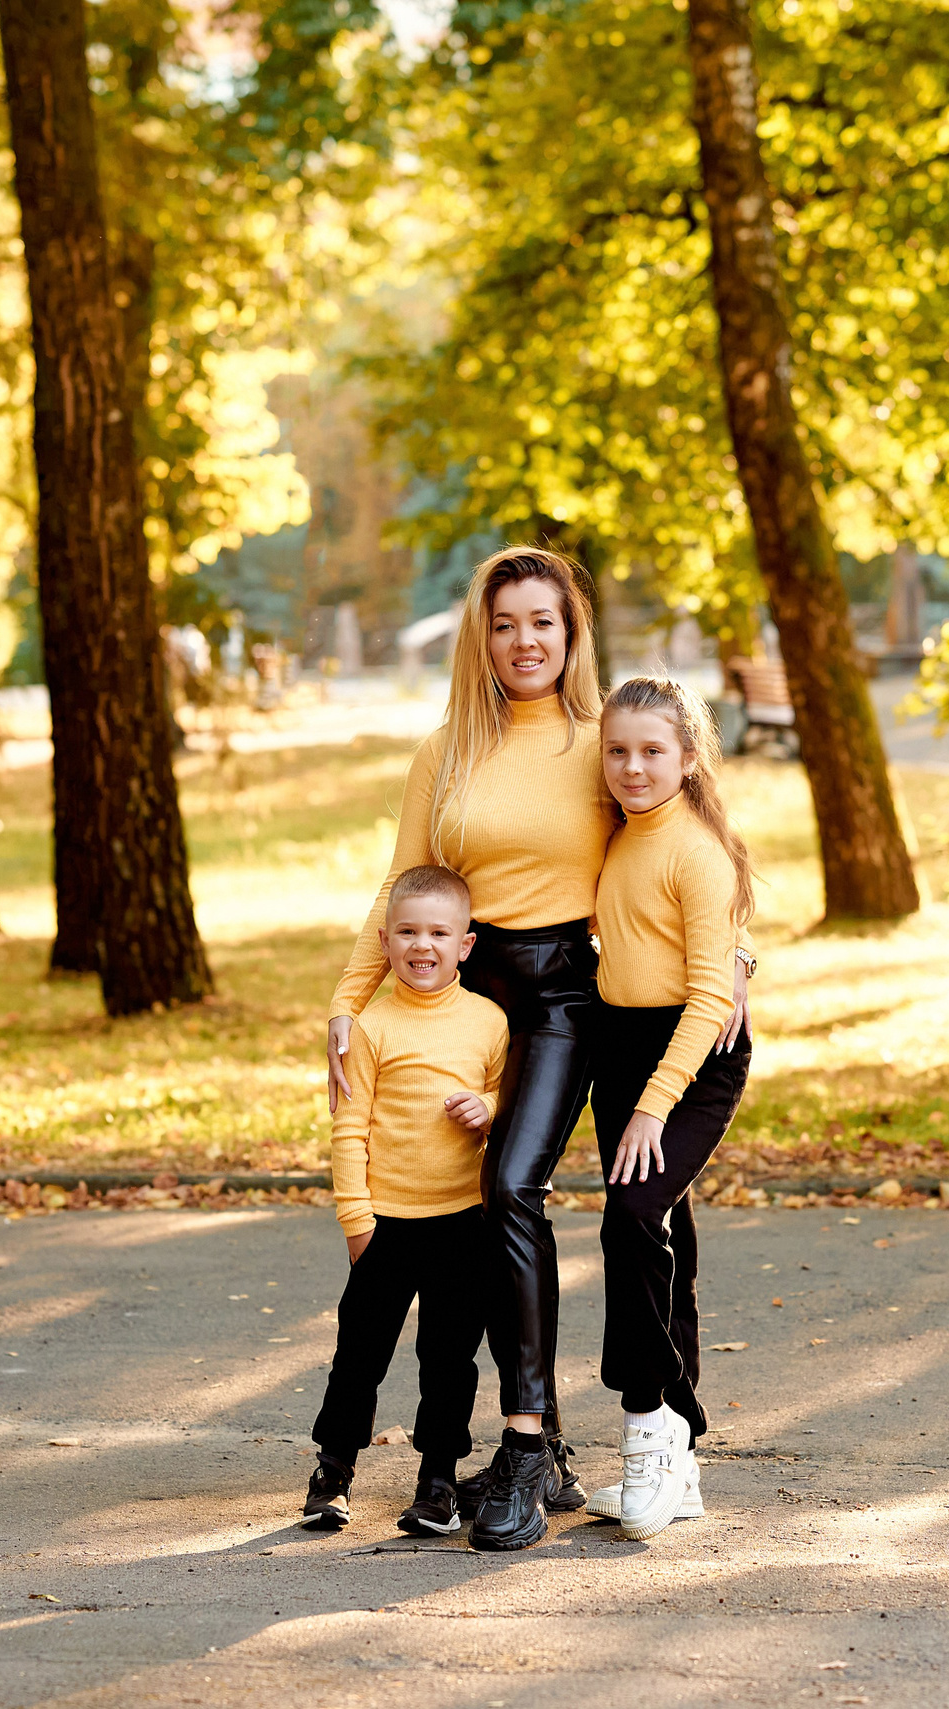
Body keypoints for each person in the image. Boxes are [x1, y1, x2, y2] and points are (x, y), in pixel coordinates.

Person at [324, 546, 755, 1553]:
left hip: (566, 994)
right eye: (508, 622)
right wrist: (349, 999)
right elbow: (401, 889)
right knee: (469, 1201)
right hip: (467, 997)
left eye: (544, 623)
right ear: (483, 633)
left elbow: (688, 839)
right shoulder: (447, 749)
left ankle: (524, 1441)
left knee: (515, 1183)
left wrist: (736, 949)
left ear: (572, 636)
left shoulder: (600, 742)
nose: (526, 640)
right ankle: (547, 1440)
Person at [581, 676, 756, 1541]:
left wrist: (654, 1107)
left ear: (689, 759)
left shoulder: (697, 851)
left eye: (653, 751)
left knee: (631, 1211)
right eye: (618, 750)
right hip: (622, 1048)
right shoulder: (615, 831)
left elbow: (706, 1000)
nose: (633, 766)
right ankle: (679, 1464)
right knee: (665, 1235)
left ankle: (654, 1419)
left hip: (692, 1059)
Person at [303, 864, 508, 1534]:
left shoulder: (488, 1021)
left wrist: (489, 1107)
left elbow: (511, 1096)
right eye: (408, 932)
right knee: (359, 1351)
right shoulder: (370, 1026)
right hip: (386, 1221)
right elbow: (348, 1125)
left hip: (460, 1221)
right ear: (386, 943)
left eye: (439, 933)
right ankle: (334, 1469)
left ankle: (438, 1481)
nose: (423, 946)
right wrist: (355, 1216)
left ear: (466, 945)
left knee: (449, 1358)